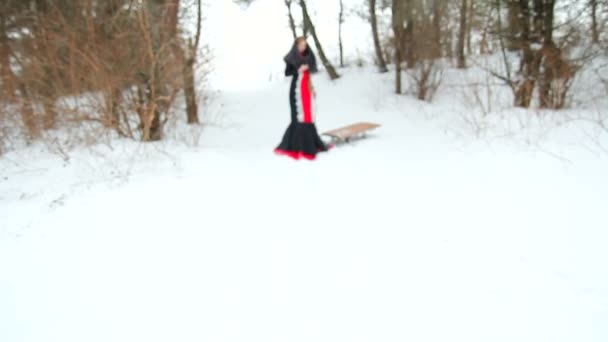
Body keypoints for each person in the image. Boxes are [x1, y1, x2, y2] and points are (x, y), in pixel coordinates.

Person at [274, 37, 330, 160]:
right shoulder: (291, 57)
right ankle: (296, 145)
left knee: (309, 115)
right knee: (298, 117)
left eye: (304, 45)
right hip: (296, 90)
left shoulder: (309, 56)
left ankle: (311, 143)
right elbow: (287, 73)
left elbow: (313, 71)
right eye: (300, 45)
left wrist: (312, 88)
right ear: (296, 46)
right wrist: (298, 70)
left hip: (307, 87)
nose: (303, 47)